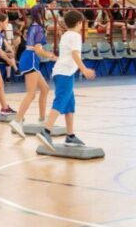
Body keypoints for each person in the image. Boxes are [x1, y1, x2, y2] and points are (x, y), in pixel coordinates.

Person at [36, 11, 96, 150]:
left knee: (69, 105)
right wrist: (84, 69)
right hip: (64, 73)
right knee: (61, 101)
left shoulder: (66, 35)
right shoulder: (75, 36)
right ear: (79, 23)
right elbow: (75, 54)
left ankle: (70, 135)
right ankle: (46, 131)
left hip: (64, 73)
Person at [10, 6, 57, 137]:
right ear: (41, 13)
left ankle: (42, 119)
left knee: (45, 89)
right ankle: (17, 120)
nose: (47, 12)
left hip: (30, 58)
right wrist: (51, 55)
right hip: (30, 58)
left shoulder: (34, 26)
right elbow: (37, 49)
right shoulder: (38, 28)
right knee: (31, 94)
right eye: (45, 10)